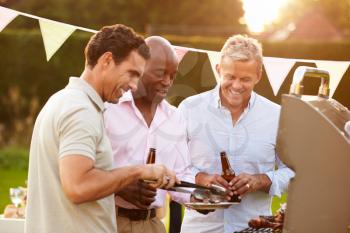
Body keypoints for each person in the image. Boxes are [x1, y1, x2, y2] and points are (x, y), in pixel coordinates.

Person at [25, 25, 178, 233]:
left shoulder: (62, 100)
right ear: (106, 61)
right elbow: (78, 186)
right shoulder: (81, 110)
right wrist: (139, 171)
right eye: (132, 73)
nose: (134, 85)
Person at [179, 35, 295, 233]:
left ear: (259, 75)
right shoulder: (190, 108)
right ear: (218, 70)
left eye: (245, 79)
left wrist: (262, 180)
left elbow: (295, 172)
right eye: (230, 77)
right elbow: (173, 166)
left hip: (254, 228)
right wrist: (200, 178)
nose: (236, 86)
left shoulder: (277, 116)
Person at [104, 36, 194, 233]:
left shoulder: (175, 117)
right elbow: (86, 170)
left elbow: (181, 173)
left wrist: (200, 197)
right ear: (140, 67)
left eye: (173, 75)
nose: (167, 82)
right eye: (161, 73)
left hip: (152, 225)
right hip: (108, 221)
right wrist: (120, 187)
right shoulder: (108, 109)